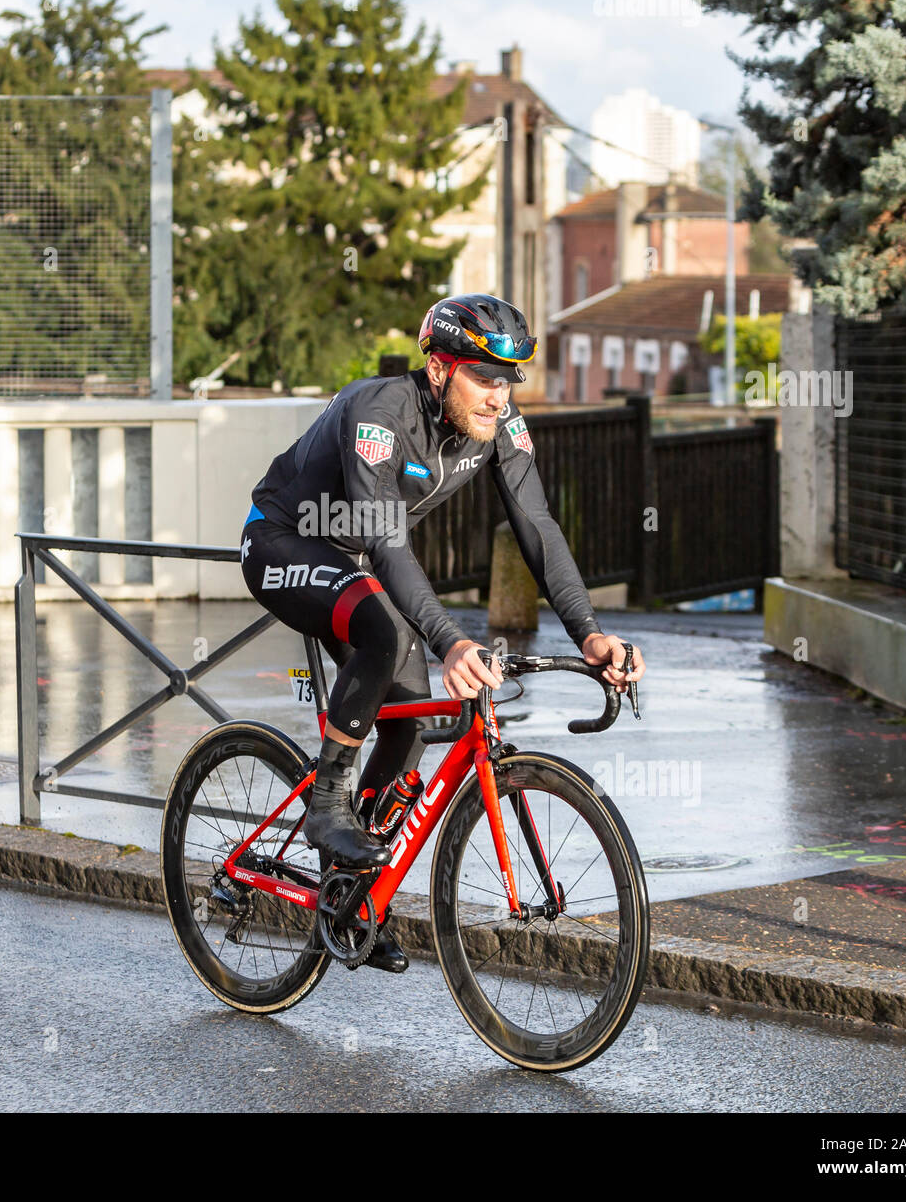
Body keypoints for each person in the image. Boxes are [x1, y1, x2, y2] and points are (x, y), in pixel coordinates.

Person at [239, 293, 646, 972]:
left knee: (410, 721)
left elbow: (538, 527)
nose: (498, 396)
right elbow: (387, 543)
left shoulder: (501, 423)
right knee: (388, 636)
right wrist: (450, 638)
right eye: (483, 377)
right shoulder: (379, 413)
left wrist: (590, 634)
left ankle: (348, 893)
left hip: (362, 562)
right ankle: (326, 804)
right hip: (286, 545)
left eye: (508, 379)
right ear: (438, 368)